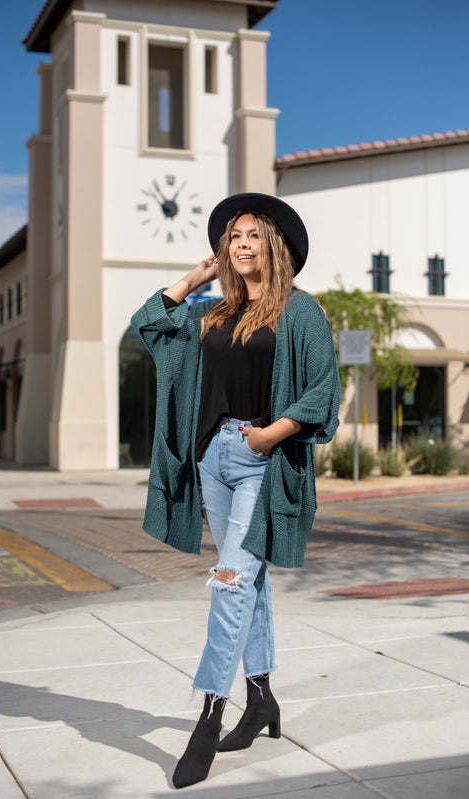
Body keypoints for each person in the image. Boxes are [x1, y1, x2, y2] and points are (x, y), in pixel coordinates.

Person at [131, 192, 341, 789]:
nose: (241, 244)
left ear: (272, 244)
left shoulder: (299, 312)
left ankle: (208, 714)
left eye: (251, 235)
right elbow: (148, 324)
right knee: (249, 580)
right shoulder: (213, 314)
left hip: (259, 459)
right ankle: (262, 700)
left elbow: (323, 389)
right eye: (232, 238)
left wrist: (268, 437)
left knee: (228, 583)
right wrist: (196, 276)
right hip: (213, 460)